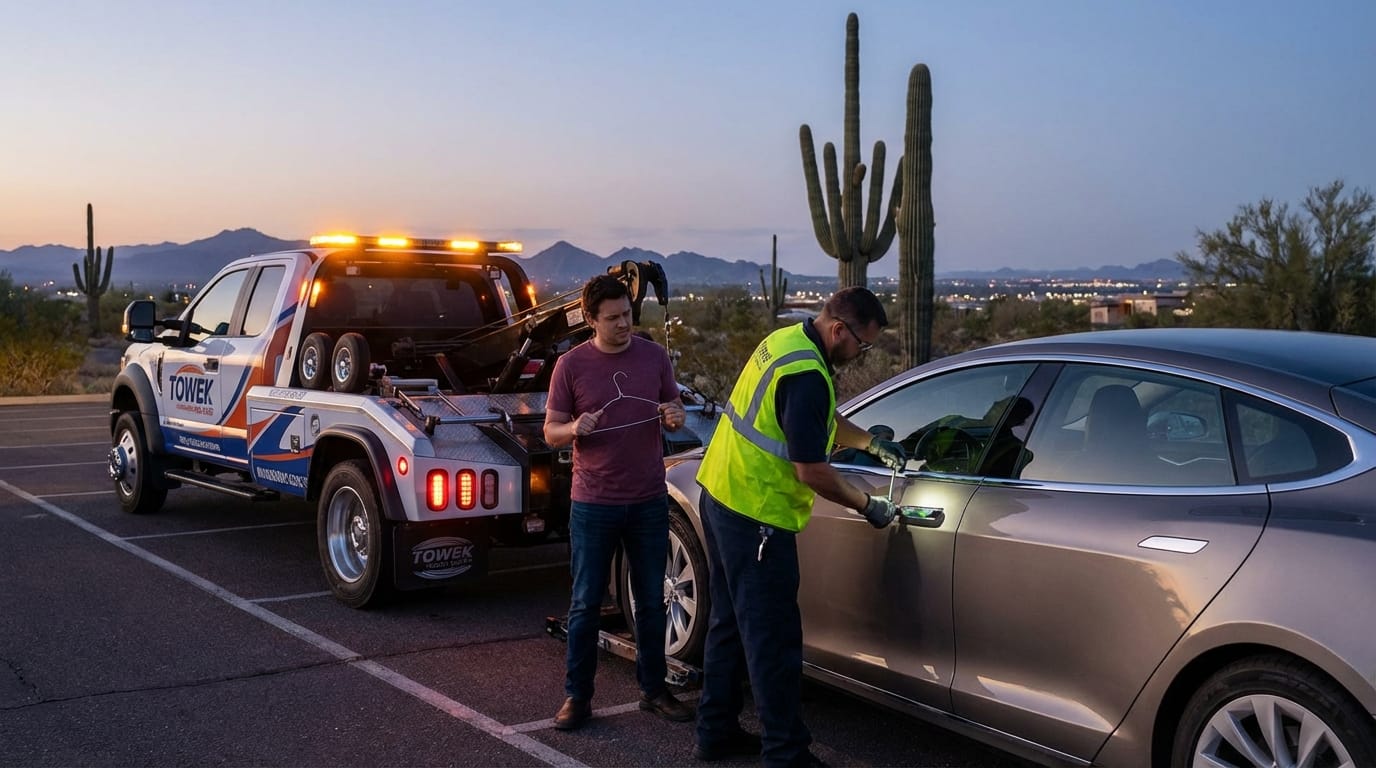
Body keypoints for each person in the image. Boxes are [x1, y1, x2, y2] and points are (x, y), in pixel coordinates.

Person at [693, 286, 902, 767]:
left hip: (722, 495)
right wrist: (867, 504)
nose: (861, 353)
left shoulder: (788, 342)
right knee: (773, 641)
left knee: (728, 625)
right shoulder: (807, 373)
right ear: (838, 330)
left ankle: (716, 731)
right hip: (758, 518)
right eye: (862, 345)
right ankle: (786, 754)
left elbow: (815, 420)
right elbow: (811, 469)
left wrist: (869, 442)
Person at [544, 274, 694, 731]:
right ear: (591, 320)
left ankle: (654, 689)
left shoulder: (654, 357)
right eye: (612, 319)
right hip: (594, 503)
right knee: (586, 602)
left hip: (648, 497)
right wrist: (574, 430)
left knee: (651, 601)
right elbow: (550, 433)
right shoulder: (570, 366)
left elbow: (674, 414)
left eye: (627, 315)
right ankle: (577, 697)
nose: (623, 325)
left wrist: (674, 416)